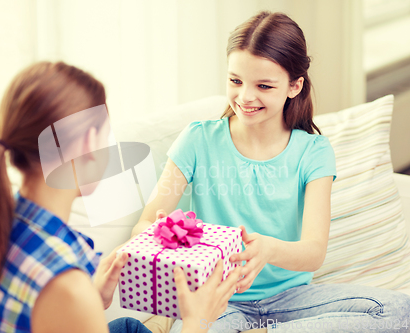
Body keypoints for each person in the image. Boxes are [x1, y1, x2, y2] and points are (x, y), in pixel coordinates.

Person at [131, 11, 410, 333]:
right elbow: (146, 222)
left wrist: (268, 249)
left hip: (293, 299)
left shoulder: (313, 152)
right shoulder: (198, 139)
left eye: (263, 85)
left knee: (398, 310)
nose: (245, 97)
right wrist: (165, 242)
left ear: (294, 86)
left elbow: (314, 253)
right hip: (219, 300)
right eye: (235, 81)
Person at [0, 61, 244, 333]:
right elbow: (60, 301)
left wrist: (93, 296)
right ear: (89, 143)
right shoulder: (66, 288)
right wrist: (198, 321)